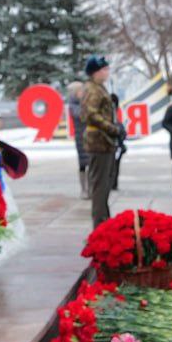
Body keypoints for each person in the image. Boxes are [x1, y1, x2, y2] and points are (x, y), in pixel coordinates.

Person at [80, 56, 121, 227]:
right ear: (95, 72)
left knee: (105, 185)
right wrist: (113, 129)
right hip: (99, 142)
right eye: (104, 69)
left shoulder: (99, 88)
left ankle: (105, 222)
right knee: (99, 187)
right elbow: (90, 114)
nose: (107, 72)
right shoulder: (93, 89)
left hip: (105, 143)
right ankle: (100, 227)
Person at [67, 81, 90, 199]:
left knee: (91, 163)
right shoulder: (73, 105)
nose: (83, 92)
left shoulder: (84, 102)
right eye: (81, 90)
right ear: (76, 92)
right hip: (81, 138)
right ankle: (84, 190)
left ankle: (91, 189)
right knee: (83, 164)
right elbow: (81, 115)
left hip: (90, 137)